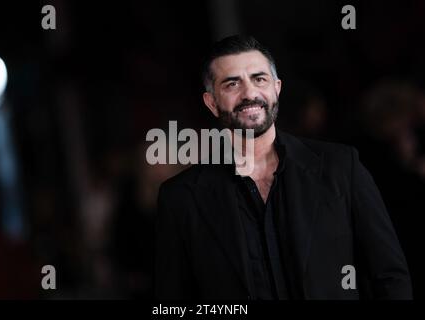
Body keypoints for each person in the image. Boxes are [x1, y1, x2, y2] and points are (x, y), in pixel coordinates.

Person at [154, 35, 412, 300]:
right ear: (211, 102)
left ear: (277, 88)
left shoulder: (341, 167)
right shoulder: (181, 198)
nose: (250, 93)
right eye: (232, 84)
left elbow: (389, 277)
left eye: (259, 79)